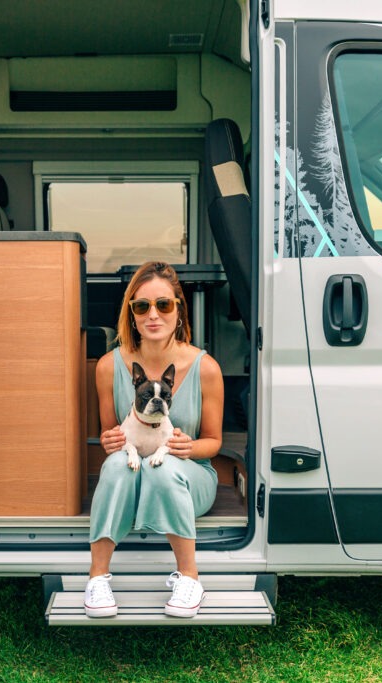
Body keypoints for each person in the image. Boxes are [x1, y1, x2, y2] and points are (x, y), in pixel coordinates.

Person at [85, 261, 224, 618]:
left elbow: (214, 442)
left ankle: (190, 577)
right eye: (141, 306)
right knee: (115, 465)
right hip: (132, 469)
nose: (153, 315)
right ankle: (97, 578)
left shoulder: (205, 368)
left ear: (179, 309)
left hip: (190, 475)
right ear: (131, 314)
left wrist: (189, 448)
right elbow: (107, 436)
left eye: (163, 305)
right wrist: (111, 440)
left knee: (164, 470)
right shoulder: (108, 366)